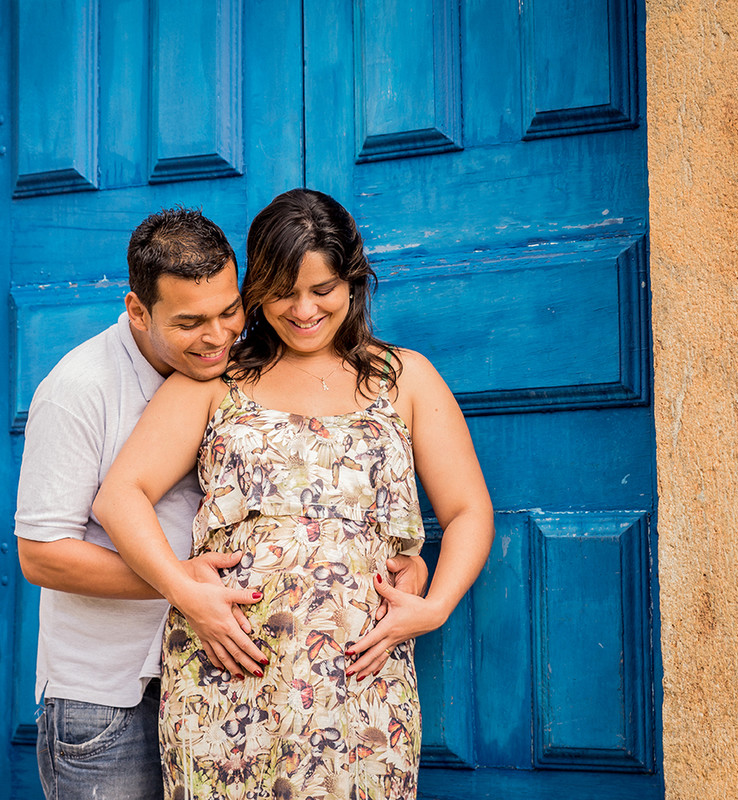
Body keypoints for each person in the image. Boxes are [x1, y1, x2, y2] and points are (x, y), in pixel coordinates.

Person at [93, 189, 495, 800]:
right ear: (256, 290)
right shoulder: (214, 383)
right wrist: (184, 591)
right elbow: (120, 495)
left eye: (323, 289)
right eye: (282, 290)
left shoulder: (404, 379)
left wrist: (436, 604)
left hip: (360, 685)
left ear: (353, 283)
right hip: (228, 681)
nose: (303, 309)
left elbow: (468, 510)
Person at [15, 206, 427, 800]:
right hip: (111, 701)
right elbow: (42, 557)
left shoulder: (230, 375)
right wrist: (184, 588)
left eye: (229, 310)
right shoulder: (80, 391)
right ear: (138, 310)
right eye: (189, 322)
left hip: (222, 682)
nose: (217, 336)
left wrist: (395, 561)